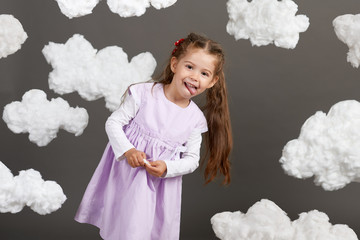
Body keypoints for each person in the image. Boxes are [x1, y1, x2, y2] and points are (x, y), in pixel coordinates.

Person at [74, 32, 232, 240]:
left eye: (204, 73)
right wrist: (128, 150)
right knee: (124, 228)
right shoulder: (143, 94)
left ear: (212, 82)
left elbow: (192, 160)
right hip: (126, 177)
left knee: (141, 231)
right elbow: (114, 122)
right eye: (190, 67)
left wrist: (168, 167)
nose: (195, 76)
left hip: (158, 189)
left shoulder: (195, 120)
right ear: (175, 65)